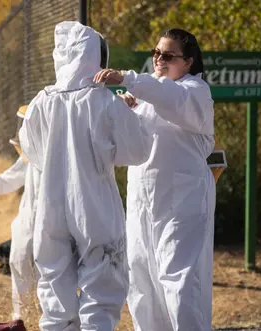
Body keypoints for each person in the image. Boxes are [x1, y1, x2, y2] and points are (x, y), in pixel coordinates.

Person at [19, 21, 152, 331]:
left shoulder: (41, 102)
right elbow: (138, 150)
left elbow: (32, 150)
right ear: (94, 57)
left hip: (50, 206)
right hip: (93, 203)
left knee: (54, 285)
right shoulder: (103, 101)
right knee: (101, 285)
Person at [94, 28, 216, 331]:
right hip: (142, 201)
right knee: (141, 278)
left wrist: (127, 77)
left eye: (169, 55)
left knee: (178, 280)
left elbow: (171, 99)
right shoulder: (149, 95)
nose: (160, 59)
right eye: (156, 53)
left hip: (180, 203)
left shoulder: (194, 91)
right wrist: (130, 111)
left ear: (188, 62)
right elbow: (143, 140)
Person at [0, 106, 41, 320]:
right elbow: (11, 177)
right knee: (19, 263)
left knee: (47, 278)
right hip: (28, 223)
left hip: (47, 224)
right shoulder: (30, 158)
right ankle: (21, 320)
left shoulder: (53, 154)